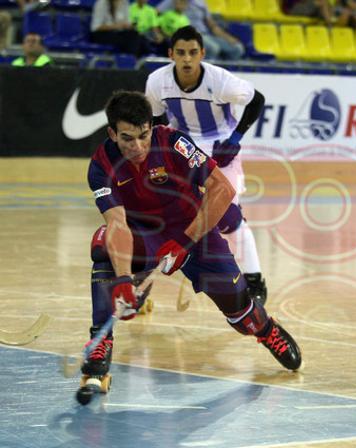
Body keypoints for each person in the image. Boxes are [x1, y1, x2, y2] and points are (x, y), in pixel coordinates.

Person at [80, 90, 301, 399]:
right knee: (102, 246)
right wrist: (122, 279)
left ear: (151, 127)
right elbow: (117, 223)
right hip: (143, 235)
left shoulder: (174, 143)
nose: (138, 146)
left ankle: (265, 329)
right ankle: (100, 341)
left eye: (144, 135)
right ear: (112, 133)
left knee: (239, 311)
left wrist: (184, 242)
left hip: (194, 232)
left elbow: (221, 189)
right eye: (127, 138)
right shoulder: (101, 164)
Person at [145, 26, 268, 305]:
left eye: (192, 53)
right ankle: (141, 283)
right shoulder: (156, 81)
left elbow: (256, 100)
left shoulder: (220, 80)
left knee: (230, 219)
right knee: (165, 213)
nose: (186, 59)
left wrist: (235, 139)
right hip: (183, 146)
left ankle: (254, 279)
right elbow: (156, 122)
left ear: (202, 53)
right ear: (170, 54)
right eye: (180, 53)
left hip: (221, 149)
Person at [156, 0, 243, 60]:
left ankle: (225, 74)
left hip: (206, 35)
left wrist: (227, 37)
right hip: (191, 36)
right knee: (213, 48)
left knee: (237, 48)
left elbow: (211, 24)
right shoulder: (172, 1)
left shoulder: (201, 2)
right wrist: (161, 32)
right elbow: (155, 14)